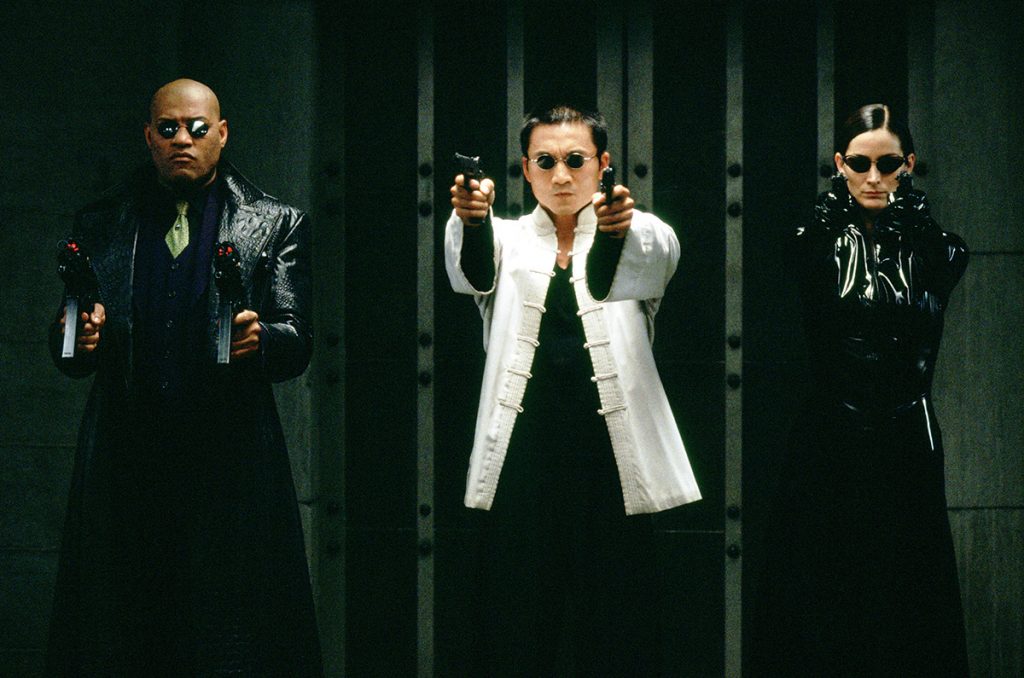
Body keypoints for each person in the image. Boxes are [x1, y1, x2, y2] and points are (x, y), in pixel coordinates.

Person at [46, 79, 322, 676]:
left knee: (229, 638)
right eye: (169, 129)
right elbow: (71, 341)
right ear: (149, 137)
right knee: (124, 635)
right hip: (126, 460)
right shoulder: (100, 223)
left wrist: (262, 339)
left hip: (230, 462)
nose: (183, 140)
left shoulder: (275, 223)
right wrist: (77, 337)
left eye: (197, 129)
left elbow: (297, 338)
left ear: (221, 135)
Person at [445, 105, 701, 675]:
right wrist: (475, 218)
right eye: (546, 161)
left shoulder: (636, 230)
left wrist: (615, 228)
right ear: (525, 169)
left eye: (576, 160)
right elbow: (471, 271)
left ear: (602, 163)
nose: (561, 175)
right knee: (513, 630)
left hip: (610, 467)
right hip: (522, 467)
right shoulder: (508, 239)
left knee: (618, 629)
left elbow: (658, 253)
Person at [759, 104, 969, 676]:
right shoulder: (811, 241)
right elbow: (804, 268)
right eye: (859, 163)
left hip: (907, 427)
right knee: (824, 580)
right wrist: (837, 226)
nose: (874, 177)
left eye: (888, 164)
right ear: (840, 164)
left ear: (909, 165)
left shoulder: (939, 248)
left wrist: (913, 228)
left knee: (911, 582)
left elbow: (941, 271)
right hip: (830, 428)